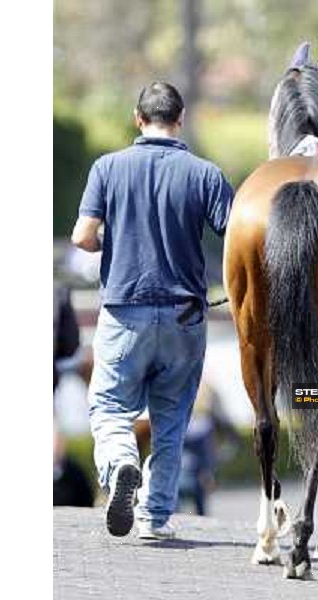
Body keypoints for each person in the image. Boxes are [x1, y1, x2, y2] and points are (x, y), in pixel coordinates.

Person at [71, 81, 234, 539]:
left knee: (108, 405)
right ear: (180, 119)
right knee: (172, 419)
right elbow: (239, 237)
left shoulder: (108, 167)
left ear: (137, 118)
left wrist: (114, 244)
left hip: (125, 312)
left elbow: (82, 237)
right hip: (186, 316)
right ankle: (154, 517)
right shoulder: (205, 174)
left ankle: (122, 459)